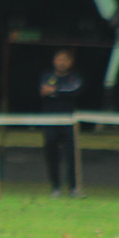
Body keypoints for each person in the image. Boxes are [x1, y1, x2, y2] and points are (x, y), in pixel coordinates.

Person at [39, 48, 83, 198]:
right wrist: (55, 91)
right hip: (50, 121)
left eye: (65, 60)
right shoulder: (47, 76)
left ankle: (73, 188)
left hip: (69, 122)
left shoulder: (74, 78)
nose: (62, 63)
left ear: (70, 62)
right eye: (59, 59)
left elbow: (73, 91)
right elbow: (43, 91)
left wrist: (55, 91)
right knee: (52, 154)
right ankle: (56, 187)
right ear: (54, 61)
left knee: (71, 155)